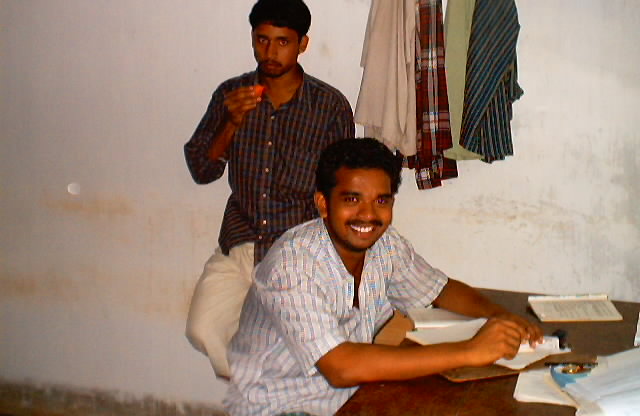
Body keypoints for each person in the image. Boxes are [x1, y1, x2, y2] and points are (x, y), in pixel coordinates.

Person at [224, 137, 543, 416]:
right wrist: (471, 350)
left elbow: (440, 290)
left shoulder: (385, 245)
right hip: (282, 407)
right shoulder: (292, 264)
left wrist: (502, 317)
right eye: (352, 199)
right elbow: (341, 367)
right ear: (323, 203)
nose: (368, 215)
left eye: (381, 201)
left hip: (352, 396)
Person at [183, 0, 355, 378]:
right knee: (204, 330)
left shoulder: (329, 106)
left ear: (302, 44)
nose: (270, 52)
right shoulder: (231, 95)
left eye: (283, 41)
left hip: (296, 252)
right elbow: (201, 170)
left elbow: (343, 190)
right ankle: (267, 394)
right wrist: (230, 124)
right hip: (240, 240)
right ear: (252, 39)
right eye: (262, 39)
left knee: (297, 347)